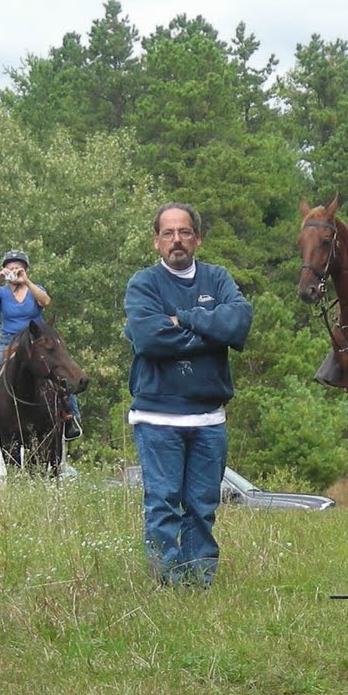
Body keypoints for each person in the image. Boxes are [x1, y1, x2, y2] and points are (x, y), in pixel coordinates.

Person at [124, 203, 252, 588]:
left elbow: (240, 321)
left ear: (197, 238)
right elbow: (148, 339)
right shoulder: (143, 284)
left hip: (209, 418)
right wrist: (212, 334)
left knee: (202, 507)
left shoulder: (217, 278)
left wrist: (186, 319)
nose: (176, 240)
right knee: (162, 504)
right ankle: (167, 584)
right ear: (156, 242)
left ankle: (198, 583)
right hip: (158, 417)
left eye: (184, 232)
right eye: (168, 233)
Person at [0, 250, 80, 441]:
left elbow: (45, 301)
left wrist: (26, 281)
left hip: (37, 342)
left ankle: (70, 418)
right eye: (10, 269)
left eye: (19, 268)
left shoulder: (36, 288)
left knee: (63, 371)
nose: (15, 272)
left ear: (26, 270)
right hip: (8, 342)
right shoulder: (1, 293)